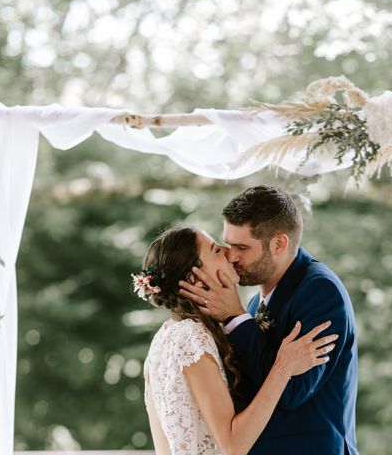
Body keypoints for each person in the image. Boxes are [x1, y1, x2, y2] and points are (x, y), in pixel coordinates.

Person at [179, 185, 358, 455]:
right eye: (228, 245)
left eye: (241, 247)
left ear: (279, 244)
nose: (231, 256)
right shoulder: (254, 304)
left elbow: (292, 391)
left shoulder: (320, 292)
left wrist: (235, 316)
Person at [137, 226, 337, 455]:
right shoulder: (190, 339)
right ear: (194, 278)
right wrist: (284, 366)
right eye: (215, 250)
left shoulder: (166, 335)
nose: (228, 253)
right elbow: (233, 445)